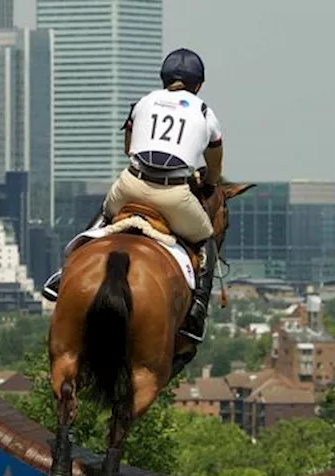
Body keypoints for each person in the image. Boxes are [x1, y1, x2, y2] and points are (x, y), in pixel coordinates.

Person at [42, 47, 225, 343]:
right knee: (206, 240)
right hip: (173, 195)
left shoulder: (144, 102)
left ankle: (62, 275)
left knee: (103, 218)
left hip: (132, 184)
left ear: (163, 79)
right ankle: (197, 312)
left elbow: (129, 147)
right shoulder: (205, 113)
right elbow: (214, 166)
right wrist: (207, 182)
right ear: (199, 85)